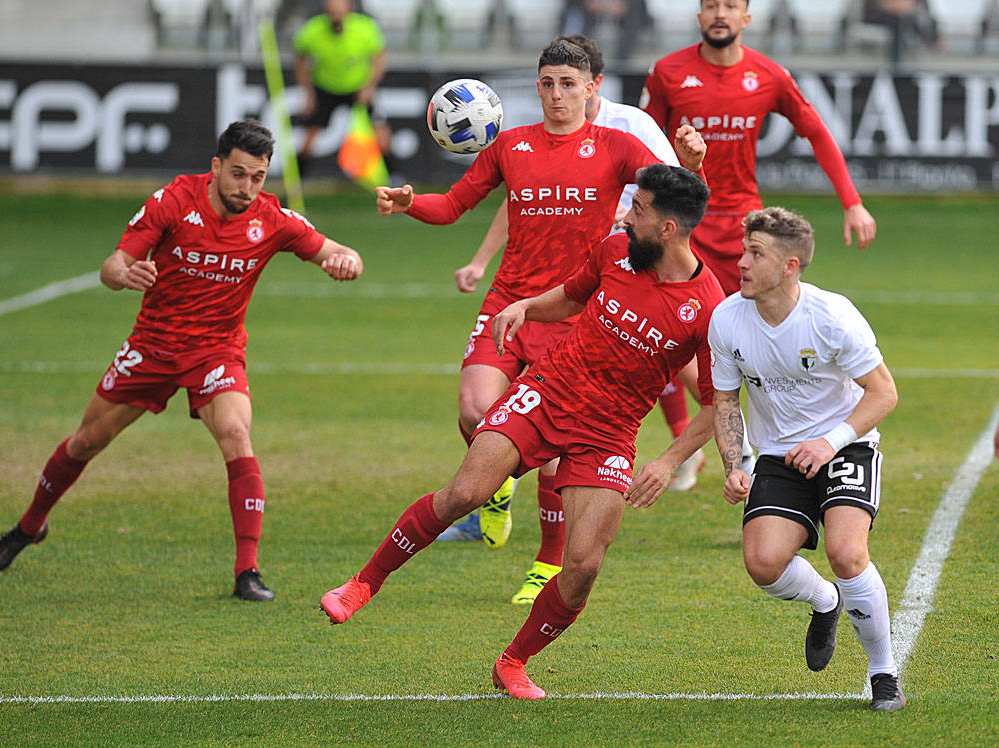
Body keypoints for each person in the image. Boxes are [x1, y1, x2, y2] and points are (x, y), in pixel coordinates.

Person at [321, 163, 726, 699]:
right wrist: (527, 308)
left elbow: (719, 401)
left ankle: (513, 662)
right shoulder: (615, 252)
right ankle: (362, 584)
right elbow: (574, 295)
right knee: (467, 491)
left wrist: (669, 460)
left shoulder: (708, 308)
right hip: (550, 390)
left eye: (640, 211)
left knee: (583, 567)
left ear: (670, 229)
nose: (627, 216)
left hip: (610, 430)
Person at [376, 38, 706, 604]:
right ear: (538, 87)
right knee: (475, 410)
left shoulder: (616, 146)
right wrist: (411, 203)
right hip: (510, 300)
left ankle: (546, 562)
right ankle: (498, 487)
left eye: (568, 85)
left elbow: (675, 196)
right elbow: (454, 205)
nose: (557, 95)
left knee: (556, 449)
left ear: (590, 88)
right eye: (548, 84)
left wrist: (693, 163)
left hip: (575, 309)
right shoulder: (511, 146)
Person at [0, 120, 365, 601]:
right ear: (215, 167)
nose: (247, 188)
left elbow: (337, 251)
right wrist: (125, 273)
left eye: (258, 177)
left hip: (217, 350)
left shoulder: (272, 218)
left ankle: (247, 573)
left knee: (236, 433)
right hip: (152, 345)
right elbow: (112, 266)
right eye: (238, 174)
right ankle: (27, 528)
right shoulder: (173, 201)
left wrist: (347, 262)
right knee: (87, 440)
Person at [640, 0, 879, 465]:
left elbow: (816, 131)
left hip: (744, 232)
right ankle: (709, 448)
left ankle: (772, 447)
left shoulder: (769, 75)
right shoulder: (668, 72)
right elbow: (646, 139)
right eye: (711, 5)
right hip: (685, 224)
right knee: (667, 332)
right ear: (699, 16)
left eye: (730, 5)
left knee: (753, 341)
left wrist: (851, 201)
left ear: (746, 18)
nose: (720, 13)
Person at [708, 206, 905, 711]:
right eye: (743, 251)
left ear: (791, 265)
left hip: (845, 446)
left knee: (846, 553)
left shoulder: (832, 317)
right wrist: (736, 462)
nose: (742, 264)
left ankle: (883, 671)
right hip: (778, 455)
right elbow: (726, 400)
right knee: (763, 563)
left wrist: (831, 441)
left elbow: (883, 393)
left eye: (756, 254)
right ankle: (826, 600)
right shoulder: (727, 319)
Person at [293, 0, 386, 174]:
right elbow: (300, 61)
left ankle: (395, 177)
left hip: (357, 89)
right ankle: (296, 184)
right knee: (309, 137)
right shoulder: (312, 30)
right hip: (325, 88)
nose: (336, 17)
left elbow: (378, 58)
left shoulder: (365, 28)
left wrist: (369, 87)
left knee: (381, 133)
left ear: (349, 10)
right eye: (332, 12)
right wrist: (308, 93)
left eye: (340, 12)